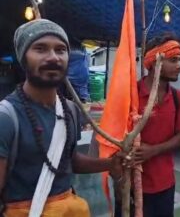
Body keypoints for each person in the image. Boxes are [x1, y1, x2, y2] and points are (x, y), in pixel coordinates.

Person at [0, 19, 127, 217]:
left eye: (60, 50)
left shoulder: (70, 110)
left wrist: (109, 164)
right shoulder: (6, 118)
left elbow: (69, 160)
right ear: (23, 58)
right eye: (40, 49)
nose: (53, 58)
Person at [115, 33, 180, 217]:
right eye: (173, 60)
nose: (179, 66)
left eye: (179, 60)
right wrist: (118, 178)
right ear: (155, 62)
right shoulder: (130, 95)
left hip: (164, 185)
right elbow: (116, 140)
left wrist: (153, 150)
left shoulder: (178, 98)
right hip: (130, 184)